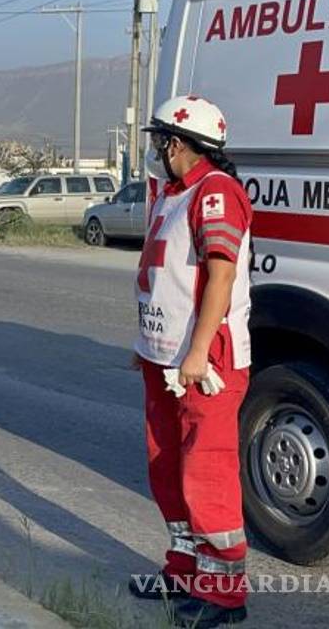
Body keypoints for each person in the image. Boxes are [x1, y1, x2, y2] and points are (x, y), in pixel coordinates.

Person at [129, 95, 251, 629]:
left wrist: (198, 351)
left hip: (205, 361)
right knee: (168, 470)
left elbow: (220, 277)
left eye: (160, 140)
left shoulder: (215, 191)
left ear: (176, 142)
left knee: (207, 472)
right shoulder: (173, 194)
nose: (157, 150)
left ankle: (224, 593)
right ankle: (184, 570)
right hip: (165, 358)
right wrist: (147, 348)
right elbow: (164, 280)